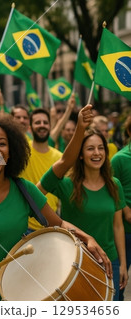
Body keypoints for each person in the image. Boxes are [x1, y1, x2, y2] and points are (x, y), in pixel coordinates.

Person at [0, 110, 111, 301]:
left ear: (11, 152)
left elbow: (59, 224)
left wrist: (88, 239)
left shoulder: (24, 189)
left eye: (2, 143)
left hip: (19, 297)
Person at [38, 105, 128, 301]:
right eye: (90, 148)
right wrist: (79, 129)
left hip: (108, 263)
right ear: (80, 154)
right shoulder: (66, 185)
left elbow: (118, 226)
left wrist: (122, 263)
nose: (97, 153)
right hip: (74, 262)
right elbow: (38, 192)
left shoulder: (115, 184)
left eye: (100, 148)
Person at [20, 107, 62, 231]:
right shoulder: (21, 151)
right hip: (25, 226)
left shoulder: (59, 157)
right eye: (37, 122)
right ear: (30, 127)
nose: (41, 125)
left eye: (45, 122)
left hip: (52, 226)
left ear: (50, 125)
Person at [111, 114, 131, 300]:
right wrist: (125, 210)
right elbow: (110, 187)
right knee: (120, 285)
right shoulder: (118, 159)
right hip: (125, 233)